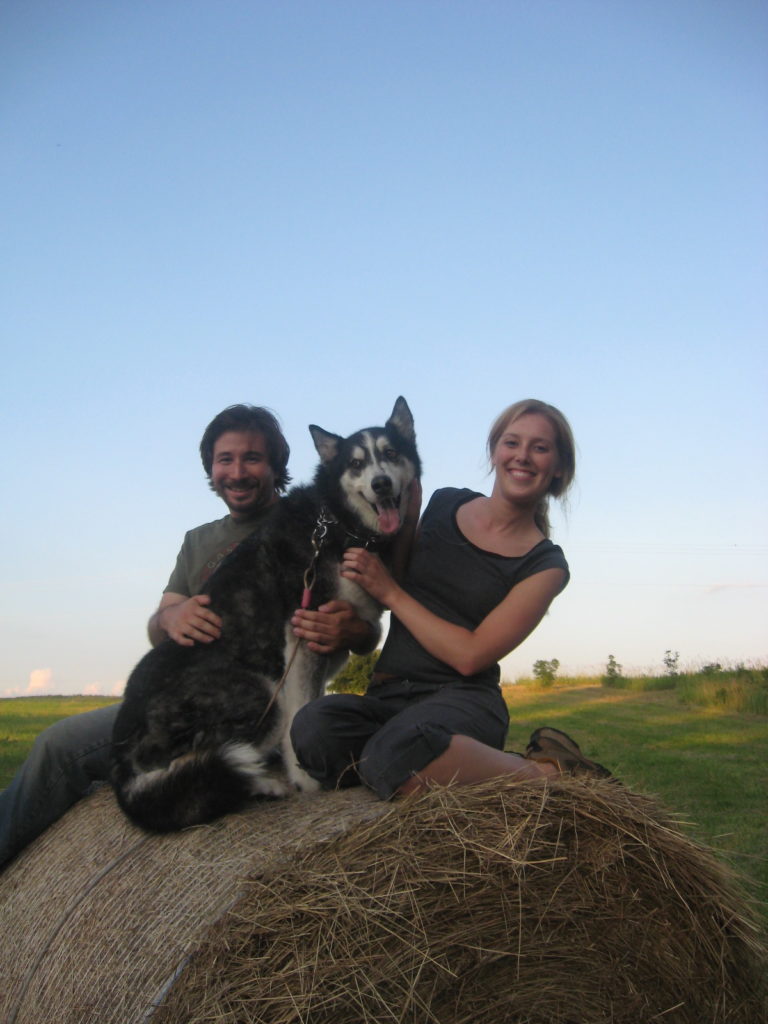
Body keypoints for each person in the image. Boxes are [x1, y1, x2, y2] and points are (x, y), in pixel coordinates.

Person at [0, 405, 373, 868]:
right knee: (57, 745)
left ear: (277, 466)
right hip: (189, 696)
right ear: (210, 469)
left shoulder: (316, 523)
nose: (237, 472)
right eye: (225, 459)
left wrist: (356, 630)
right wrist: (170, 618)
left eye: (253, 458)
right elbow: (160, 627)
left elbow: (363, 630)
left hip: (263, 698)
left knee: (60, 749)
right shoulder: (198, 541)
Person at [290, 399, 611, 799]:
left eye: (540, 448)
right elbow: (405, 582)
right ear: (495, 451)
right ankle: (428, 766)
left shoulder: (545, 565)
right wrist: (405, 526)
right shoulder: (445, 503)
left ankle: (548, 772)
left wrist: (386, 587)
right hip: (390, 694)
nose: (523, 456)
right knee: (311, 727)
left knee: (391, 753)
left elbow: (470, 656)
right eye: (512, 442)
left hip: (462, 700)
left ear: (559, 467)